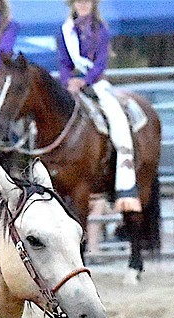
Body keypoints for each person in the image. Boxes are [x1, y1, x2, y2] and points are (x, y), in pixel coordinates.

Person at [57, 0, 140, 213]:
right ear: (73, 5)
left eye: (87, 1)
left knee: (117, 118)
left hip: (95, 84)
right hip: (70, 84)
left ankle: (124, 180)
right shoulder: (64, 31)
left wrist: (84, 81)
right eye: (79, 1)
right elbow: (63, 62)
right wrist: (69, 81)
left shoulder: (101, 30)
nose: (83, 5)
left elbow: (101, 63)